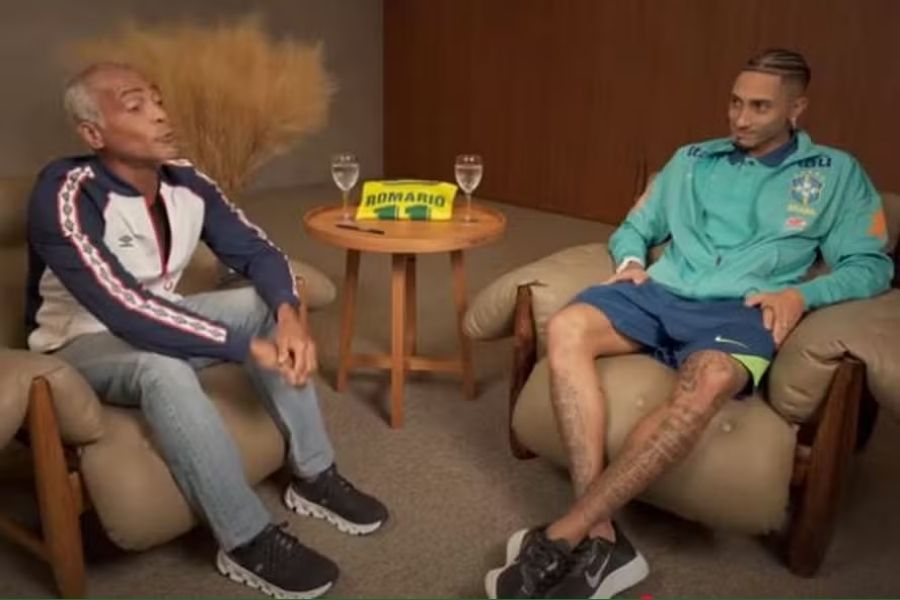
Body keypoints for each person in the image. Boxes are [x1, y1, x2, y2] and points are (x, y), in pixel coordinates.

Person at [485, 48, 894, 599]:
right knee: (566, 327)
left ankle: (563, 536)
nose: (740, 118)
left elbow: (871, 266)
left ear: (797, 108)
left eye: (759, 107)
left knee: (709, 382)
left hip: (741, 310)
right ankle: (597, 529)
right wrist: (632, 260)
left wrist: (802, 294)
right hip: (659, 292)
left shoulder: (836, 173)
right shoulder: (691, 159)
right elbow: (635, 227)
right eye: (735, 102)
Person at [26, 62, 387, 599]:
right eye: (135, 105)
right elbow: (123, 308)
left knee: (261, 302)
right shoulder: (65, 192)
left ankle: (316, 475)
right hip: (83, 341)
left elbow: (258, 252)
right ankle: (245, 540)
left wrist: (288, 316)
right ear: (93, 134)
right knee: (161, 368)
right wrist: (241, 347)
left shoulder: (186, 179)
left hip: (166, 316)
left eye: (157, 100)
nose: (159, 114)